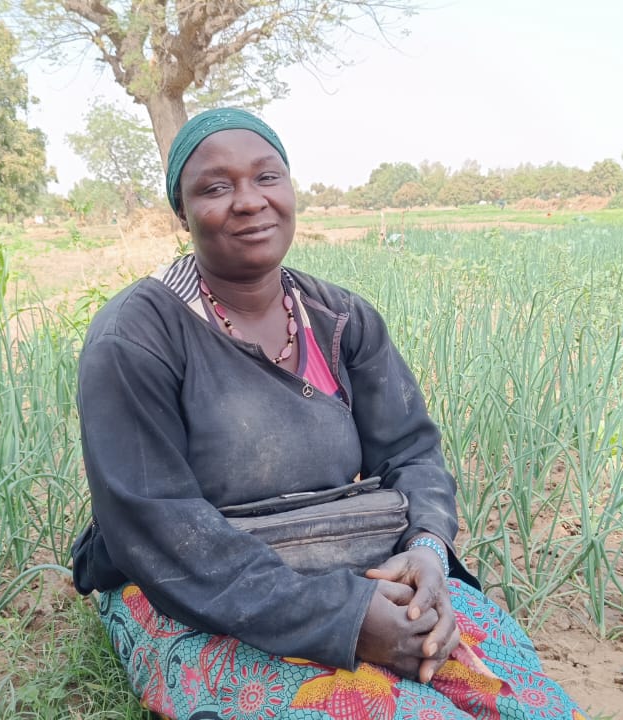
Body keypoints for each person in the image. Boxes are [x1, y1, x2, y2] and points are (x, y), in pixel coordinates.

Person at [70, 107, 586, 720]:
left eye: (268, 177)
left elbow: (412, 452)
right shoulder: (135, 337)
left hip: (348, 552)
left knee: (523, 699)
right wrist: (344, 619)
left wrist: (424, 551)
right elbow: (157, 524)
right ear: (182, 211)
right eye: (215, 187)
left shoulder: (341, 319)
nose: (250, 201)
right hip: (197, 584)